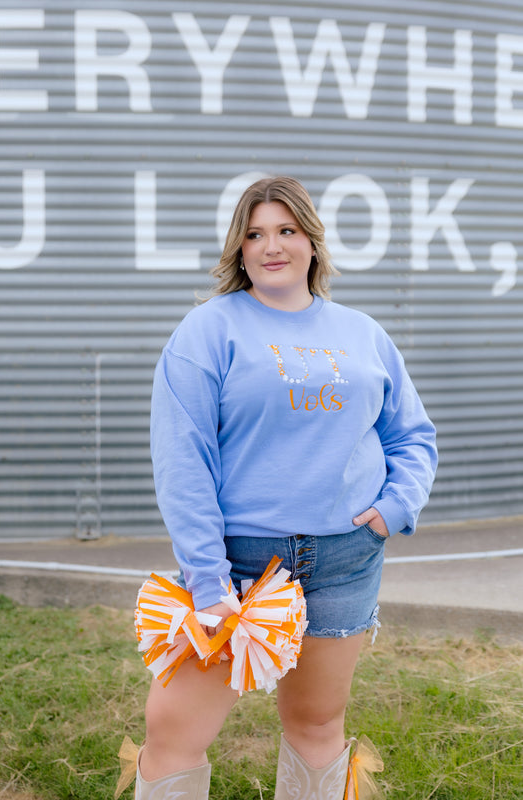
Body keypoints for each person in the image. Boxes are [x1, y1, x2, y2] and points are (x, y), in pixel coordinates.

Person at [137, 176, 437, 800]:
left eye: (285, 230)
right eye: (254, 234)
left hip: (344, 560)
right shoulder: (205, 332)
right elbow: (182, 460)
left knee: (318, 723)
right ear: (238, 249)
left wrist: (392, 508)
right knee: (173, 733)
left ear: (311, 241)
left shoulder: (362, 333)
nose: (271, 246)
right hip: (240, 564)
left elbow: (411, 435)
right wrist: (206, 578)